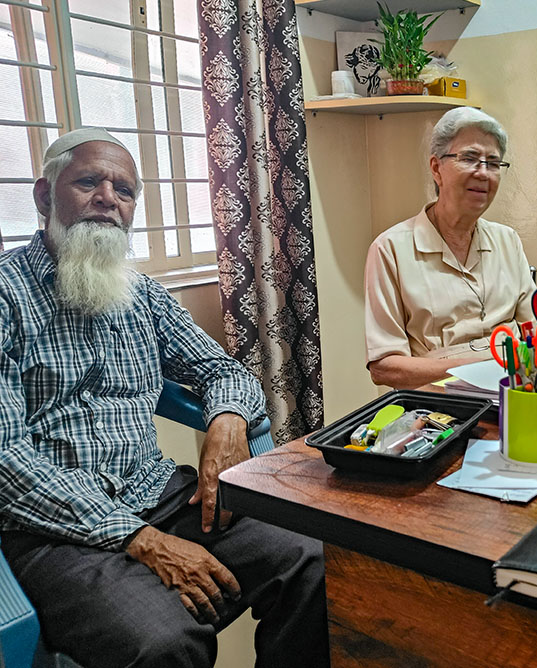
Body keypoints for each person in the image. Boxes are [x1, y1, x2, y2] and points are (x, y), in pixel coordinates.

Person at [0, 128, 328, 668]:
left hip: (157, 491)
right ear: (44, 196)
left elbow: (221, 368)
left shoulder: (143, 294)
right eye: (88, 182)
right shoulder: (8, 295)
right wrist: (142, 540)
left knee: (312, 557)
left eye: (124, 191)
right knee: (166, 643)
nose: (108, 199)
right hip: (54, 527)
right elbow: (7, 461)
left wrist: (226, 420)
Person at [364, 107, 537, 389]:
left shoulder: (508, 240)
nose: (483, 173)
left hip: (515, 394)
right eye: (469, 158)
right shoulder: (390, 249)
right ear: (436, 168)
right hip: (436, 407)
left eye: (493, 163)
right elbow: (385, 367)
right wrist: (485, 365)